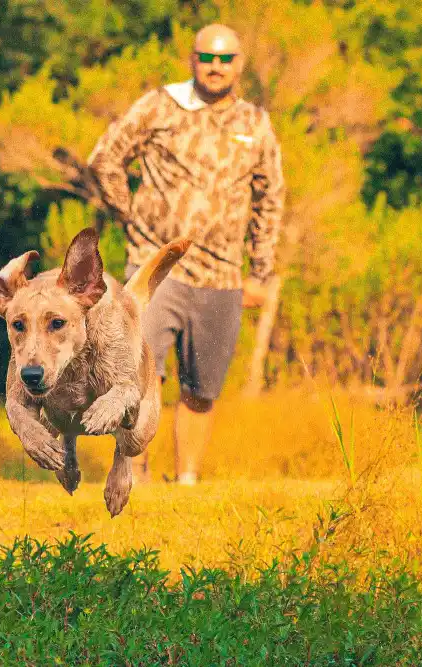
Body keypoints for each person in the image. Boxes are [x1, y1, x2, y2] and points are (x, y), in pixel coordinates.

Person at [85, 23, 286, 485]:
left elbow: (271, 195)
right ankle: (134, 472)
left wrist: (262, 270)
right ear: (193, 60)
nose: (216, 67)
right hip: (155, 266)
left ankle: (188, 479)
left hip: (222, 275)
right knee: (141, 370)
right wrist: (127, 215)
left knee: (201, 388)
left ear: (239, 64)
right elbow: (105, 157)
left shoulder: (254, 123)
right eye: (207, 57)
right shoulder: (161, 105)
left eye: (226, 59)